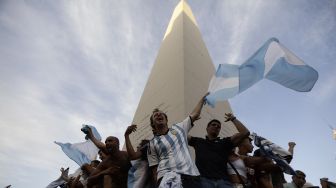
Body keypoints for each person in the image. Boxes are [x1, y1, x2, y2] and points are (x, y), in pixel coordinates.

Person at [147, 93, 208, 188]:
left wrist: (202, 99)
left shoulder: (179, 128)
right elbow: (154, 168)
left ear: (166, 120)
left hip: (191, 176)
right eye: (155, 116)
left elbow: (195, 114)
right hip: (166, 178)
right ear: (153, 125)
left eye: (161, 114)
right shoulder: (151, 143)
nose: (158, 114)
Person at [188, 113, 250, 188]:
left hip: (223, 182)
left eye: (218, 127)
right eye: (213, 125)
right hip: (204, 180)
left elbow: (245, 132)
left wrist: (233, 119)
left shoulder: (225, 142)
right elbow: (180, 134)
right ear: (207, 128)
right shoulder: (198, 141)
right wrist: (190, 120)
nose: (216, 127)